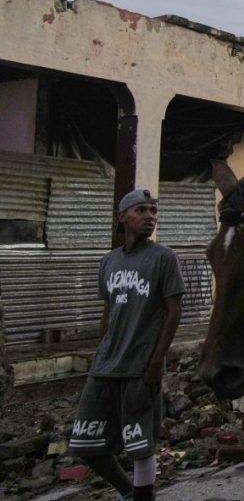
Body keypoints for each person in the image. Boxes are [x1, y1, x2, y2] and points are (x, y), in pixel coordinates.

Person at [67, 189, 185, 501]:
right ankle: (128, 492)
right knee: (85, 445)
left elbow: (174, 311)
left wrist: (157, 362)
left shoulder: (163, 258)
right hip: (106, 365)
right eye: (142, 210)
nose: (150, 216)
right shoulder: (109, 261)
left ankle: (143, 497)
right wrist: (100, 350)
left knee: (139, 445)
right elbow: (109, 310)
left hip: (140, 366)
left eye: (153, 211)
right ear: (123, 217)